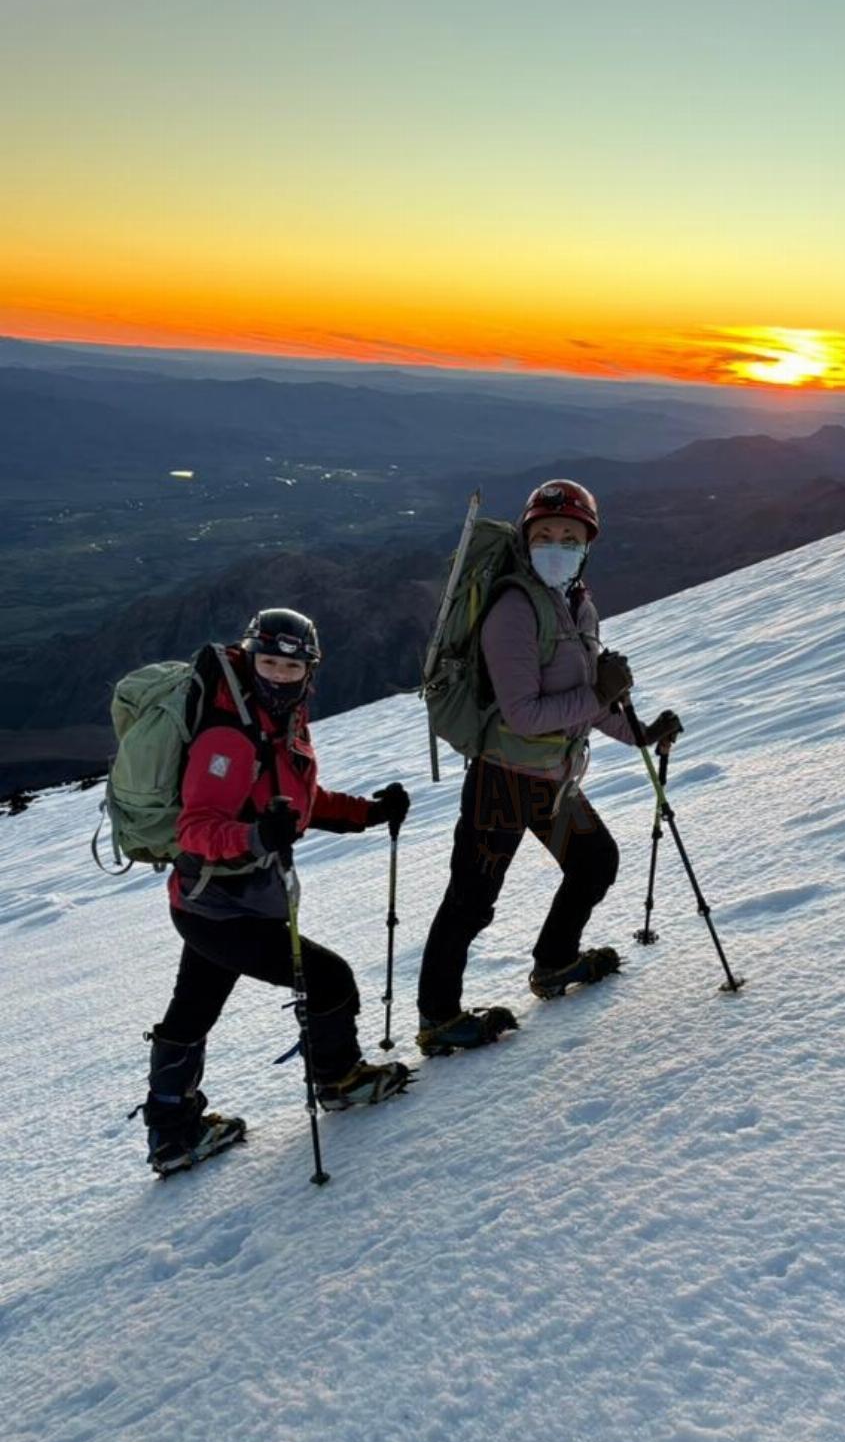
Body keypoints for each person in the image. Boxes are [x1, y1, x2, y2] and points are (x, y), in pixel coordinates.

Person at [137, 607, 411, 1174]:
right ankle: (338, 1079)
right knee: (329, 979)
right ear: (249, 660)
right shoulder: (229, 735)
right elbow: (196, 827)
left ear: (309, 670)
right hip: (221, 906)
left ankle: (172, 1134)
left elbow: (297, 803)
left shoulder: (279, 721)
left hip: (217, 901)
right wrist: (254, 837)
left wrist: (368, 813)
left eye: (293, 667)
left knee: (192, 1011)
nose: (280, 675)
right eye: (269, 664)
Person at [416, 479, 682, 1055]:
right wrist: (601, 693)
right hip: (503, 781)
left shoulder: (579, 606)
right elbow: (525, 714)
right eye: (544, 535)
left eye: (569, 536)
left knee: (594, 862)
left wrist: (639, 733)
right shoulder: (513, 609)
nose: (556, 545)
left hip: (551, 780)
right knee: (471, 899)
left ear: (587, 545)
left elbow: (586, 702)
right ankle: (438, 1018)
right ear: (525, 540)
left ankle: (555, 962)